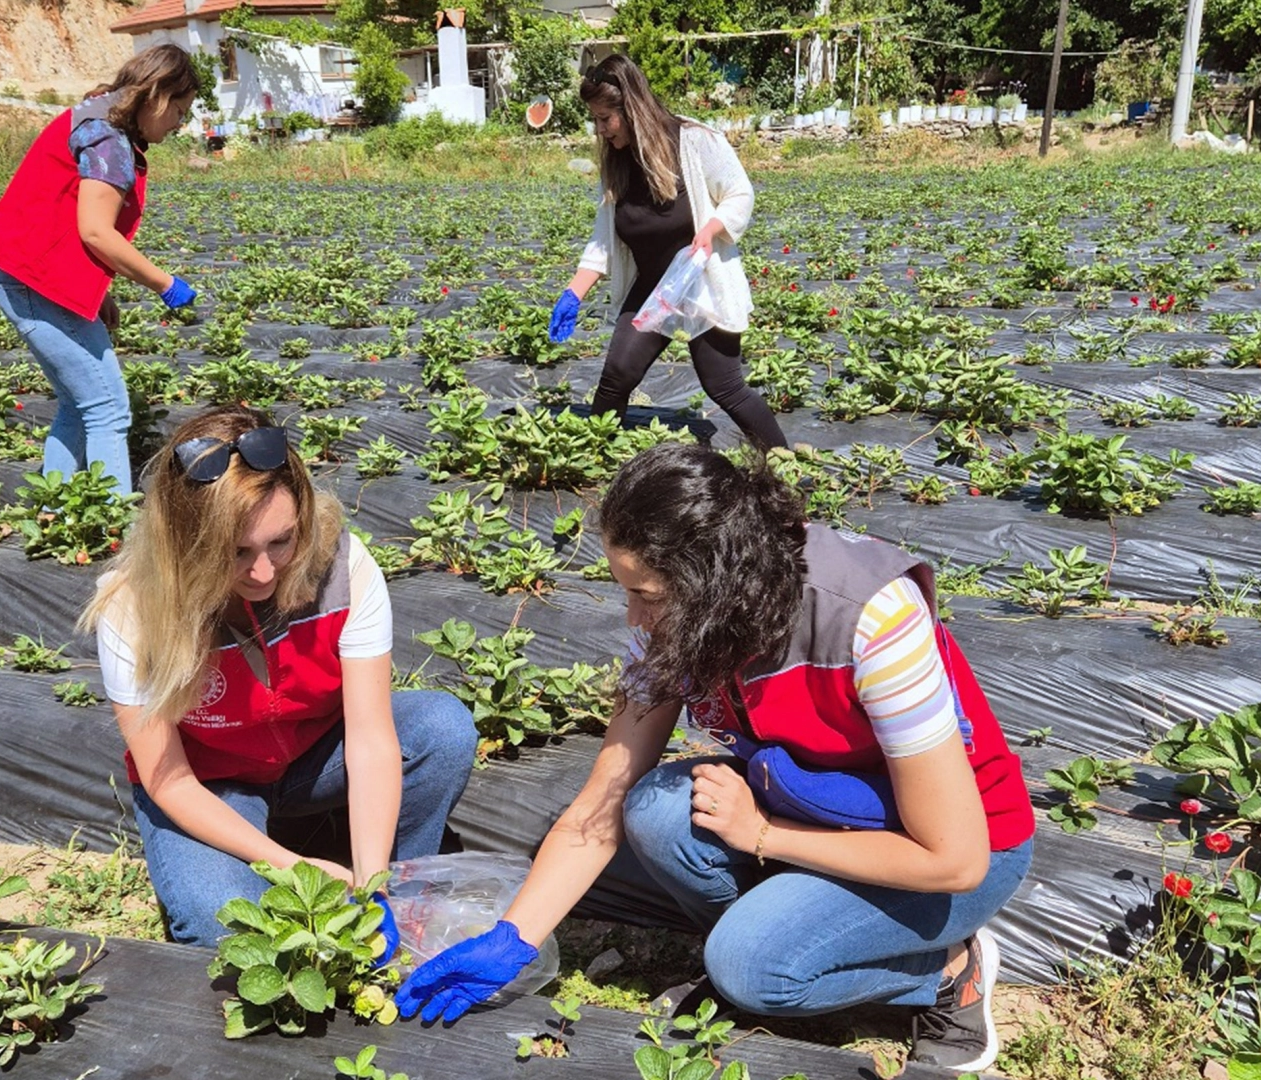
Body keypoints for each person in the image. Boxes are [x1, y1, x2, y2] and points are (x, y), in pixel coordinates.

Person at [395, 444, 1035, 1075]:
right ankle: (781, 931)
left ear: (717, 582)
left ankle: (948, 973)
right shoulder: (685, 621)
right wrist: (514, 939)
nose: (634, 616)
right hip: (814, 806)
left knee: (751, 970)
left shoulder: (870, 620)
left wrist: (763, 835)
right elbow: (604, 799)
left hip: (954, 848)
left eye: (648, 595)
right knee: (654, 810)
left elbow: (953, 857)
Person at [82, 406, 479, 948]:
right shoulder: (135, 607)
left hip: (313, 759)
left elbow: (368, 738)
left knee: (441, 729)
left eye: (281, 542)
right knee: (217, 918)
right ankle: (272, 852)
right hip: (210, 782)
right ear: (187, 542)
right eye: (236, 552)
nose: (264, 572)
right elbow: (167, 779)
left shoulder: (343, 568)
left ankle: (402, 894)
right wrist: (292, 868)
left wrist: (374, 883)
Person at [0, 44, 201, 497]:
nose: (180, 123)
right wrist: (166, 284)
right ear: (155, 96)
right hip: (35, 281)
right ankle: (112, 525)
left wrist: (100, 293)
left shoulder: (99, 118)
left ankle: (56, 506)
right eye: (179, 109)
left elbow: (72, 224)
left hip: (31, 276)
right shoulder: (108, 140)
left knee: (80, 405)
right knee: (107, 409)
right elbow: (96, 232)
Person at [547, 55, 786, 453]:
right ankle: (592, 459)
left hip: (700, 280)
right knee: (617, 374)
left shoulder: (694, 142)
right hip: (655, 285)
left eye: (606, 118)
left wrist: (711, 229)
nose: (600, 129)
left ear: (632, 108)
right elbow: (604, 240)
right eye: (596, 120)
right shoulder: (619, 166)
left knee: (724, 385)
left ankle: (786, 467)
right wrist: (573, 293)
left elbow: (739, 193)